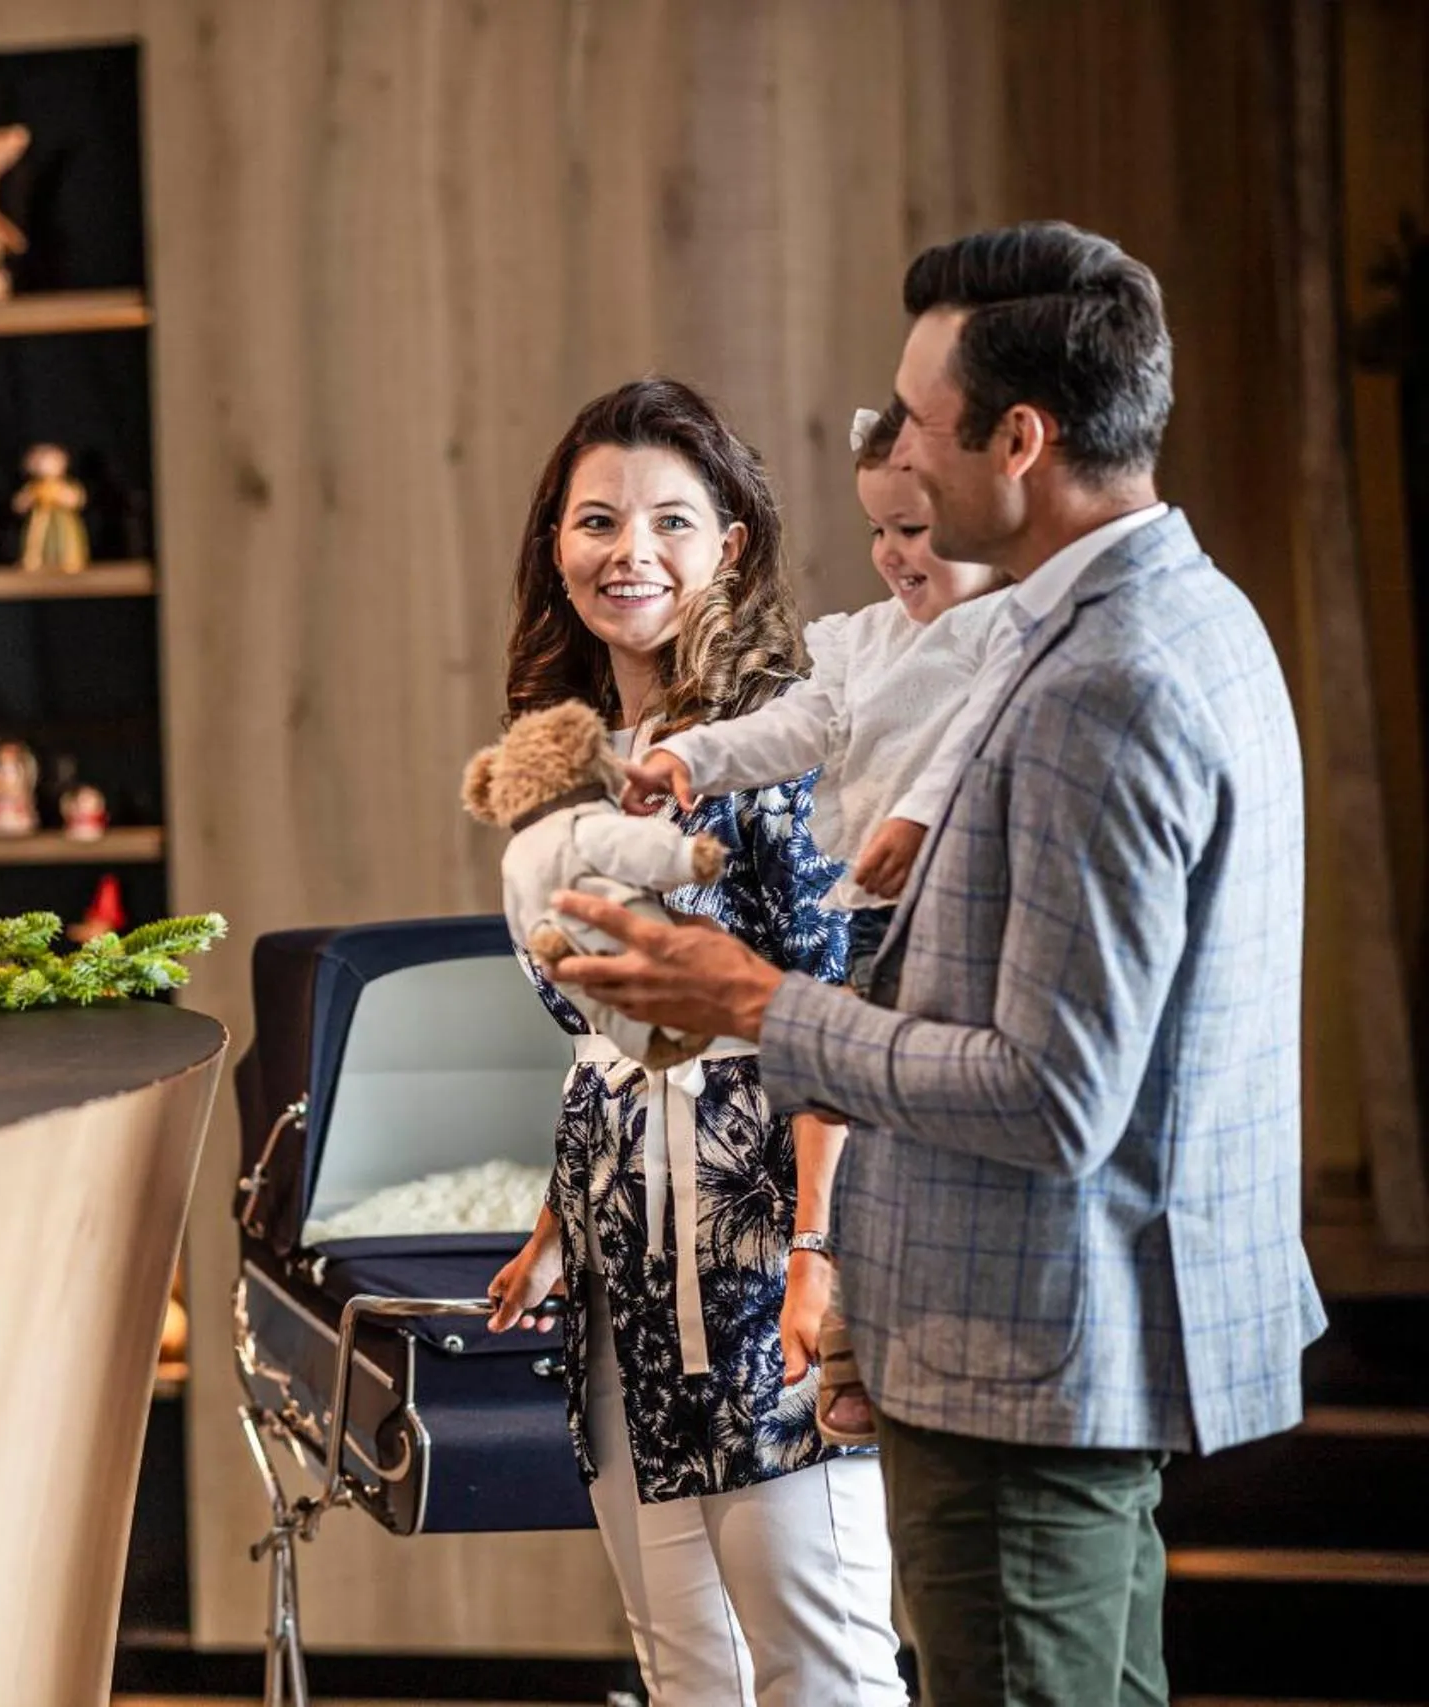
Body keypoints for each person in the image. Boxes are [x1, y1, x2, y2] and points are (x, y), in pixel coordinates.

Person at [550, 223, 1324, 1707]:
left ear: (1019, 441)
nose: (894, 449)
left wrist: (756, 1003)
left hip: (1032, 1349)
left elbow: (1051, 1093)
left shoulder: (1106, 677)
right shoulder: (1155, 614)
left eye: (918, 418)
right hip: (1047, 1330)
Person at [482, 378, 906, 1706]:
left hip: (769, 1261)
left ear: (732, 543)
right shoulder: (573, 760)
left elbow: (834, 1010)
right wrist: (555, 1228)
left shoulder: (788, 736)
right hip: (625, 1278)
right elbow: (605, 1039)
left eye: (671, 519)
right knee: (685, 1674)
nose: (632, 551)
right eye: (597, 520)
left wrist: (818, 1256)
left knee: (824, 1671)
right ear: (556, 544)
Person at [619, 403, 1014, 1443]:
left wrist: (915, 816)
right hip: (871, 925)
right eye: (878, 530)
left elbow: (977, 740)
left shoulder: (1012, 630)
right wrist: (690, 757)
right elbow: (796, 726)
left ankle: (888, 1344)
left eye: (915, 531)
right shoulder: (861, 641)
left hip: (962, 918)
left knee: (919, 1142)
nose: (892, 554)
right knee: (866, 1140)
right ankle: (856, 1353)